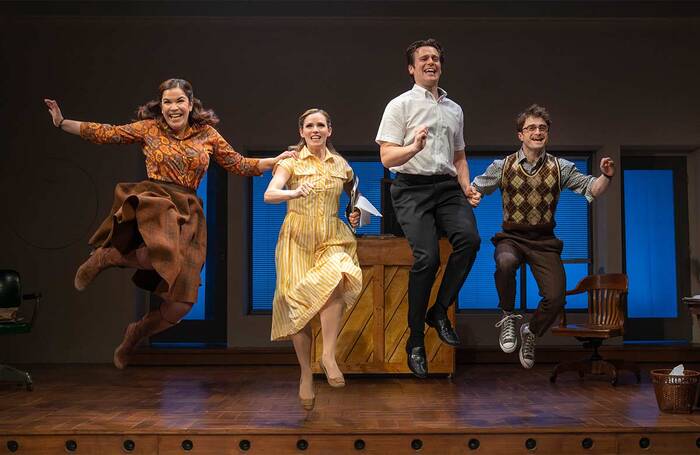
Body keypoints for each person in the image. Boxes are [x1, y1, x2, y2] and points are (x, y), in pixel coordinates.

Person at [44, 78, 294, 369]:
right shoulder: (149, 128)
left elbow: (239, 164)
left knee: (181, 304)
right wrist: (62, 122)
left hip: (188, 211)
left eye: (179, 101)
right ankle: (104, 256)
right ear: (160, 106)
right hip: (156, 200)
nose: (173, 107)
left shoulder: (207, 135)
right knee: (155, 252)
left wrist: (275, 160)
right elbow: (106, 133)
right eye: (167, 102)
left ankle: (134, 335)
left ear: (190, 104)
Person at [469, 104, 615, 369]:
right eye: (531, 128)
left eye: (542, 128)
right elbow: (476, 187)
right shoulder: (503, 166)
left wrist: (605, 176)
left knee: (557, 297)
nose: (537, 132)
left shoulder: (561, 167)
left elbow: (592, 188)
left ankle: (531, 332)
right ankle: (509, 316)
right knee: (504, 262)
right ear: (520, 135)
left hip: (544, 241)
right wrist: (474, 195)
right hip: (511, 236)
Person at [376, 38, 481, 378]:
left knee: (470, 240)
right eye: (423, 58)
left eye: (435, 58)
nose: (430, 62)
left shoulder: (455, 109)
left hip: (448, 188)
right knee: (428, 258)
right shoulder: (399, 106)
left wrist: (467, 186)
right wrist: (413, 146)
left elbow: (459, 155)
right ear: (412, 68)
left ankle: (438, 311)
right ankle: (415, 340)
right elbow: (387, 158)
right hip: (411, 188)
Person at [264, 108, 362, 411]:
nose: (315, 130)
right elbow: (269, 194)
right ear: (302, 132)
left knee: (337, 275)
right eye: (310, 126)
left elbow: (354, 193)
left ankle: (328, 356)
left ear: (329, 130)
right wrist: (293, 192)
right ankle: (306, 373)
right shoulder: (291, 162)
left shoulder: (341, 165)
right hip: (297, 237)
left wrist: (354, 212)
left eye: (321, 125)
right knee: (297, 305)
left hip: (331, 235)